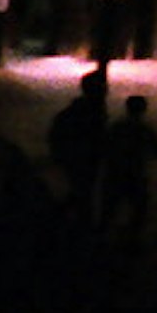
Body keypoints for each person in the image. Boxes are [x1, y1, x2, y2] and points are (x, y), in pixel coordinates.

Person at [45, 63, 110, 229]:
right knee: (84, 192)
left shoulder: (88, 110)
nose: (107, 91)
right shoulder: (90, 113)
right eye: (103, 88)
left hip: (81, 158)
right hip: (82, 158)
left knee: (81, 191)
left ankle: (65, 217)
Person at [99, 91, 157, 245]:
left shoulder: (117, 126)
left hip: (115, 172)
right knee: (139, 208)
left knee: (110, 207)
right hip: (136, 173)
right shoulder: (145, 129)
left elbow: (105, 146)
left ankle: (102, 239)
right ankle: (132, 238)